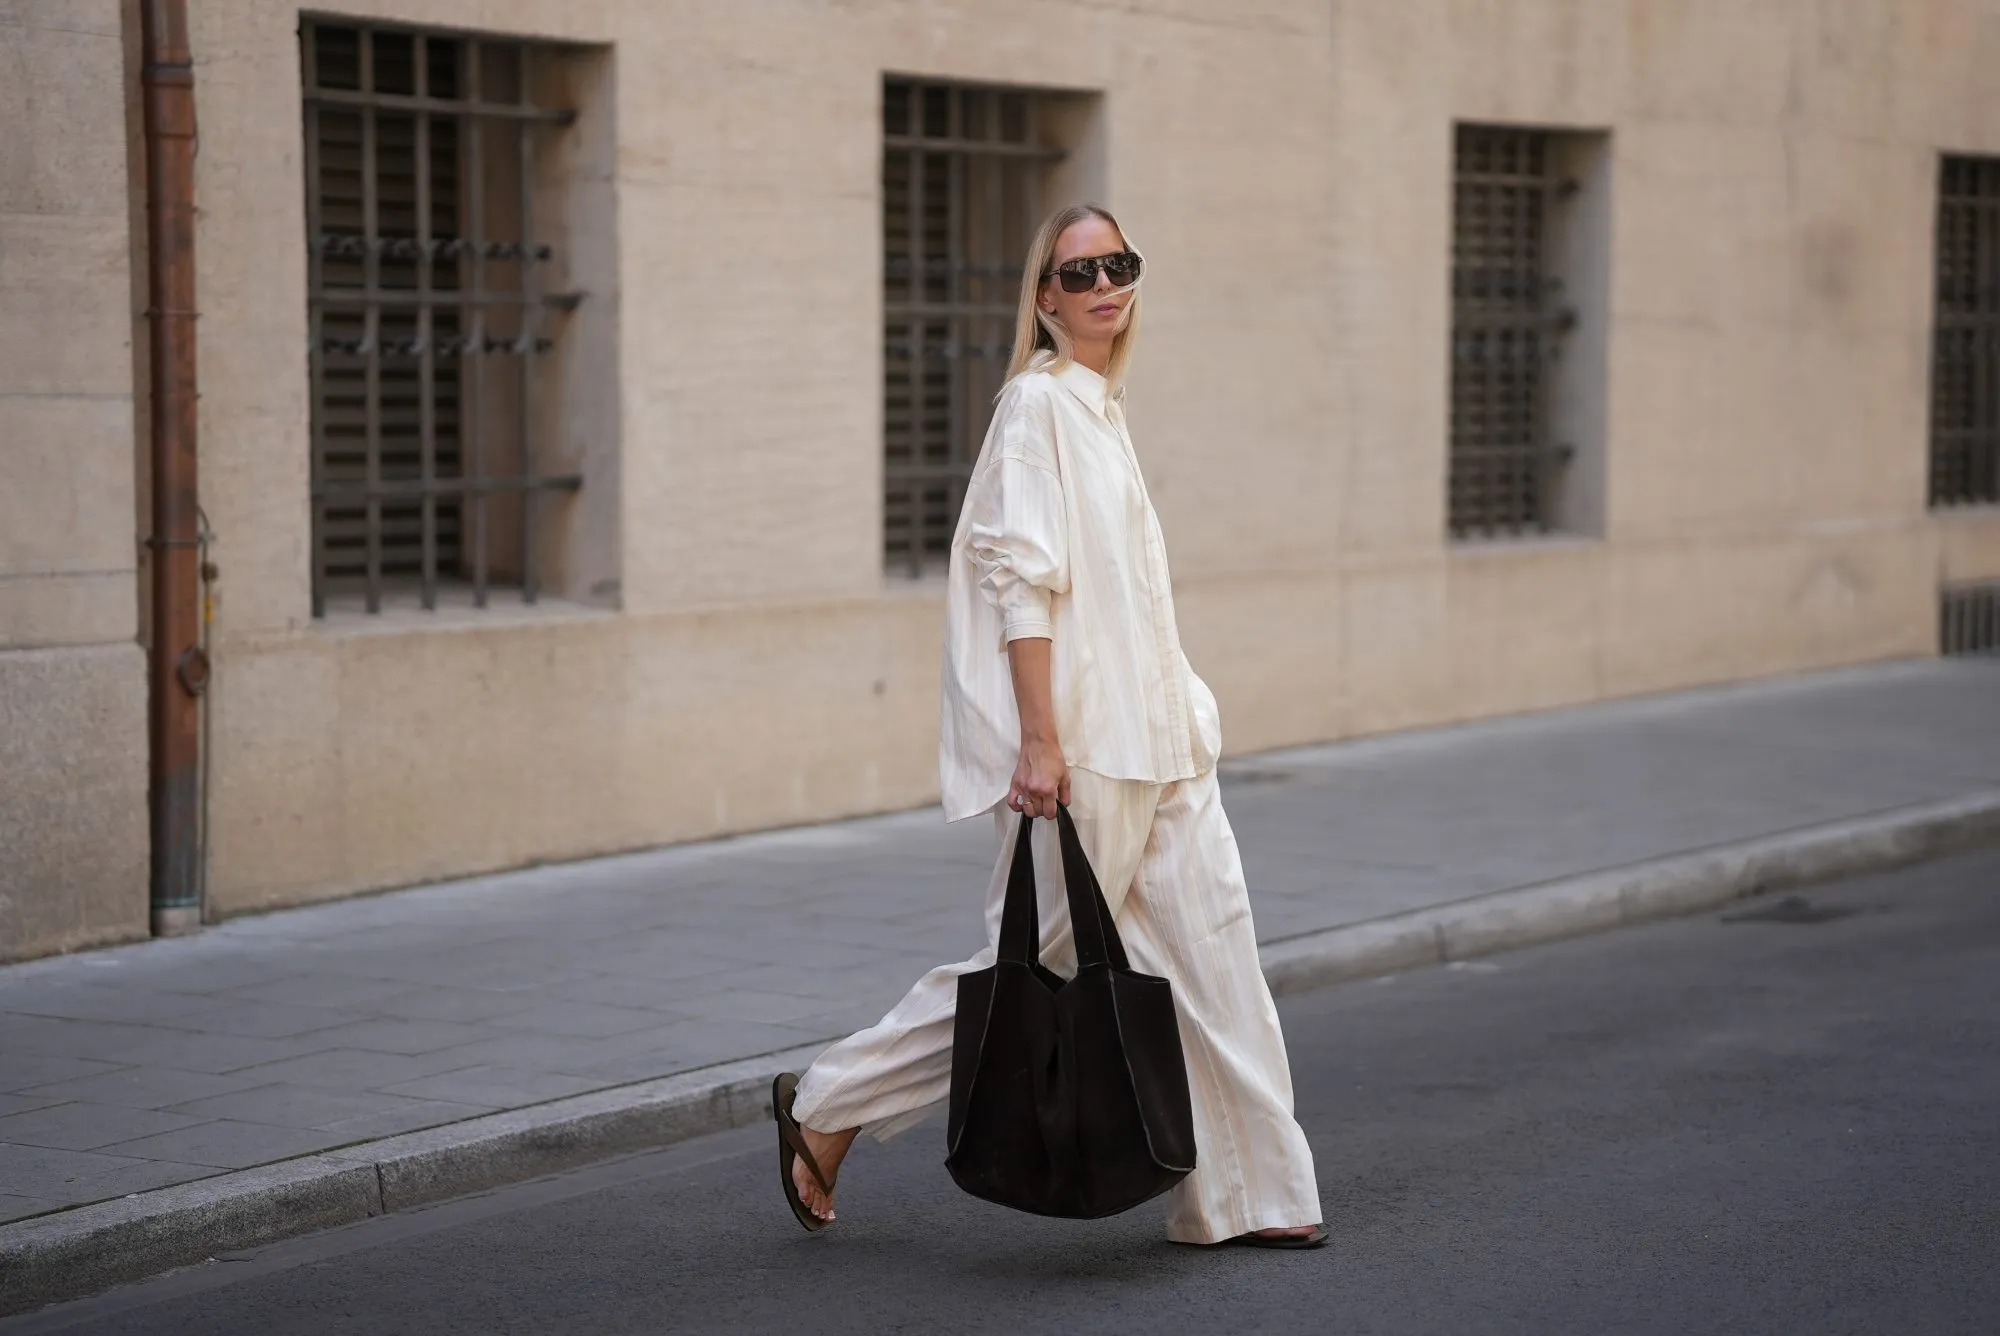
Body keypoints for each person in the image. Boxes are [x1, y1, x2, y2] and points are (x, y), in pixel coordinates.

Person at [772, 203, 1325, 1248]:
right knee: (1028, 977)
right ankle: (828, 1102)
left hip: (1164, 740)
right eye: (1079, 273)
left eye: (1119, 265)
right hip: (1085, 751)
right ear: (1043, 297)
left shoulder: (1102, 408)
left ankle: (1255, 1198)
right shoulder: (1035, 409)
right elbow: (1020, 583)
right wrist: (1037, 742)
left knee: (1217, 965)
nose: (1104, 284)